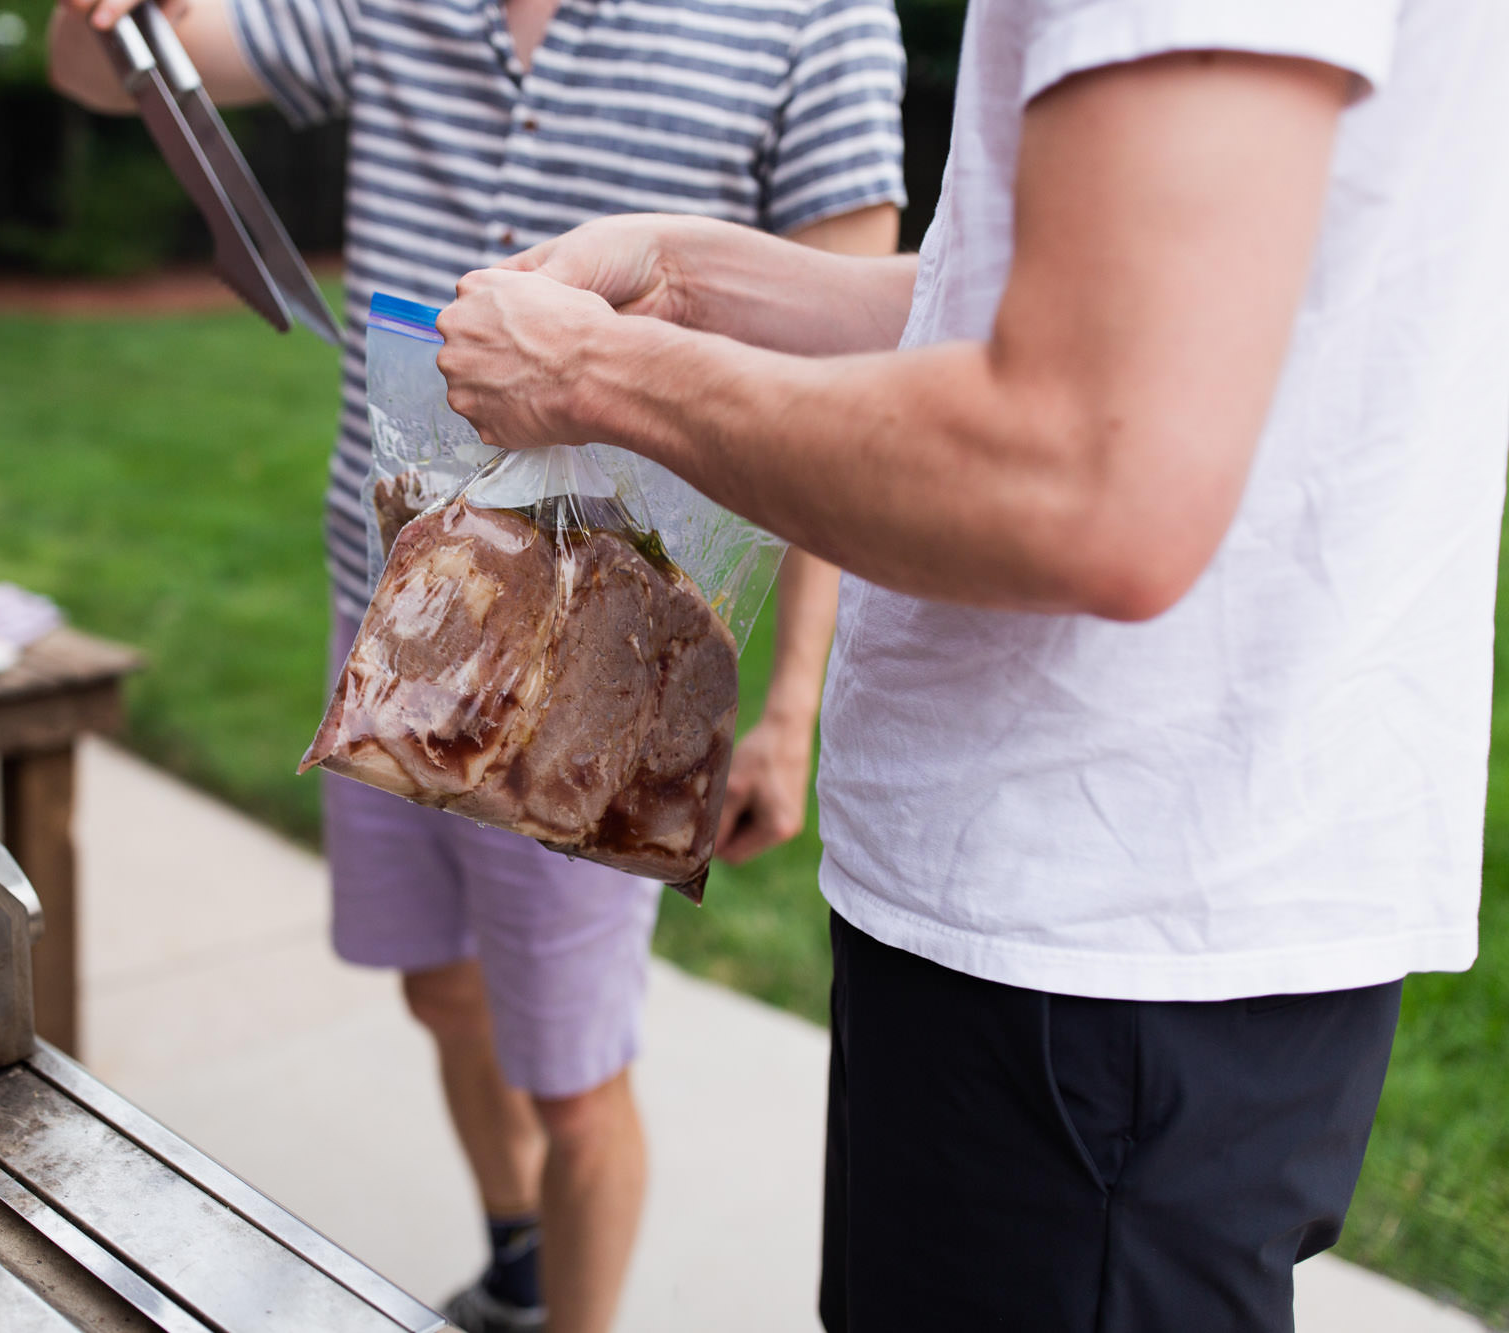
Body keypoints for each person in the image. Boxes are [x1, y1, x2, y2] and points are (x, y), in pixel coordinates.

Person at [433, 0, 1509, 1328]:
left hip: (1096, 951)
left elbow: (1083, 473)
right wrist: (688, 275)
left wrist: (602, 375)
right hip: (1121, 925)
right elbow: (1044, 311)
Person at [48, 0, 908, 1327]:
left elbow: (856, 389)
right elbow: (102, 73)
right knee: (440, 987)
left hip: (611, 666)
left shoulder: (818, 19)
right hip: (393, 611)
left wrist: (791, 705)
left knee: (571, 1071)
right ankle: (517, 1267)